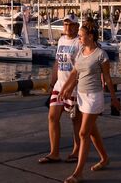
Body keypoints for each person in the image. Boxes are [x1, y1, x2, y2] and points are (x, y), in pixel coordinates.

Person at [60, 18, 120, 183]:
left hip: (94, 97)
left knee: (83, 133)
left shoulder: (101, 55)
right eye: (79, 36)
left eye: (81, 35)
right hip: (81, 96)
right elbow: (74, 73)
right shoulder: (80, 52)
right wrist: (64, 89)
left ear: (91, 37)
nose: (79, 38)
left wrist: (113, 98)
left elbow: (107, 78)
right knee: (92, 132)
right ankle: (105, 158)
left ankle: (78, 173)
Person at [38, 14, 81, 164]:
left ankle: (76, 152)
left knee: (76, 121)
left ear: (77, 27)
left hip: (74, 88)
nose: (68, 27)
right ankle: (54, 152)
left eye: (71, 25)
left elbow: (80, 69)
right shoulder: (62, 40)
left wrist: (70, 87)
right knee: (52, 117)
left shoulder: (79, 43)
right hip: (59, 86)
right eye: (66, 24)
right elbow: (58, 62)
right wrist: (52, 83)